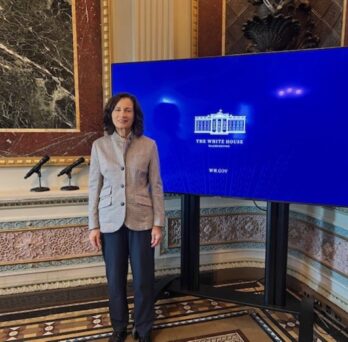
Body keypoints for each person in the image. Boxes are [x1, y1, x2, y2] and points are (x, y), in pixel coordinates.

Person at [88, 93, 165, 342]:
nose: (123, 114)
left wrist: (158, 223)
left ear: (135, 115)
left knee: (143, 279)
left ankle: (143, 328)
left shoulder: (149, 145)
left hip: (142, 219)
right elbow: (94, 188)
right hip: (110, 220)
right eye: (118, 110)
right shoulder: (99, 146)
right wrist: (93, 225)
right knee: (115, 280)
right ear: (111, 114)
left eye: (128, 110)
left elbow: (156, 185)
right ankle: (119, 327)